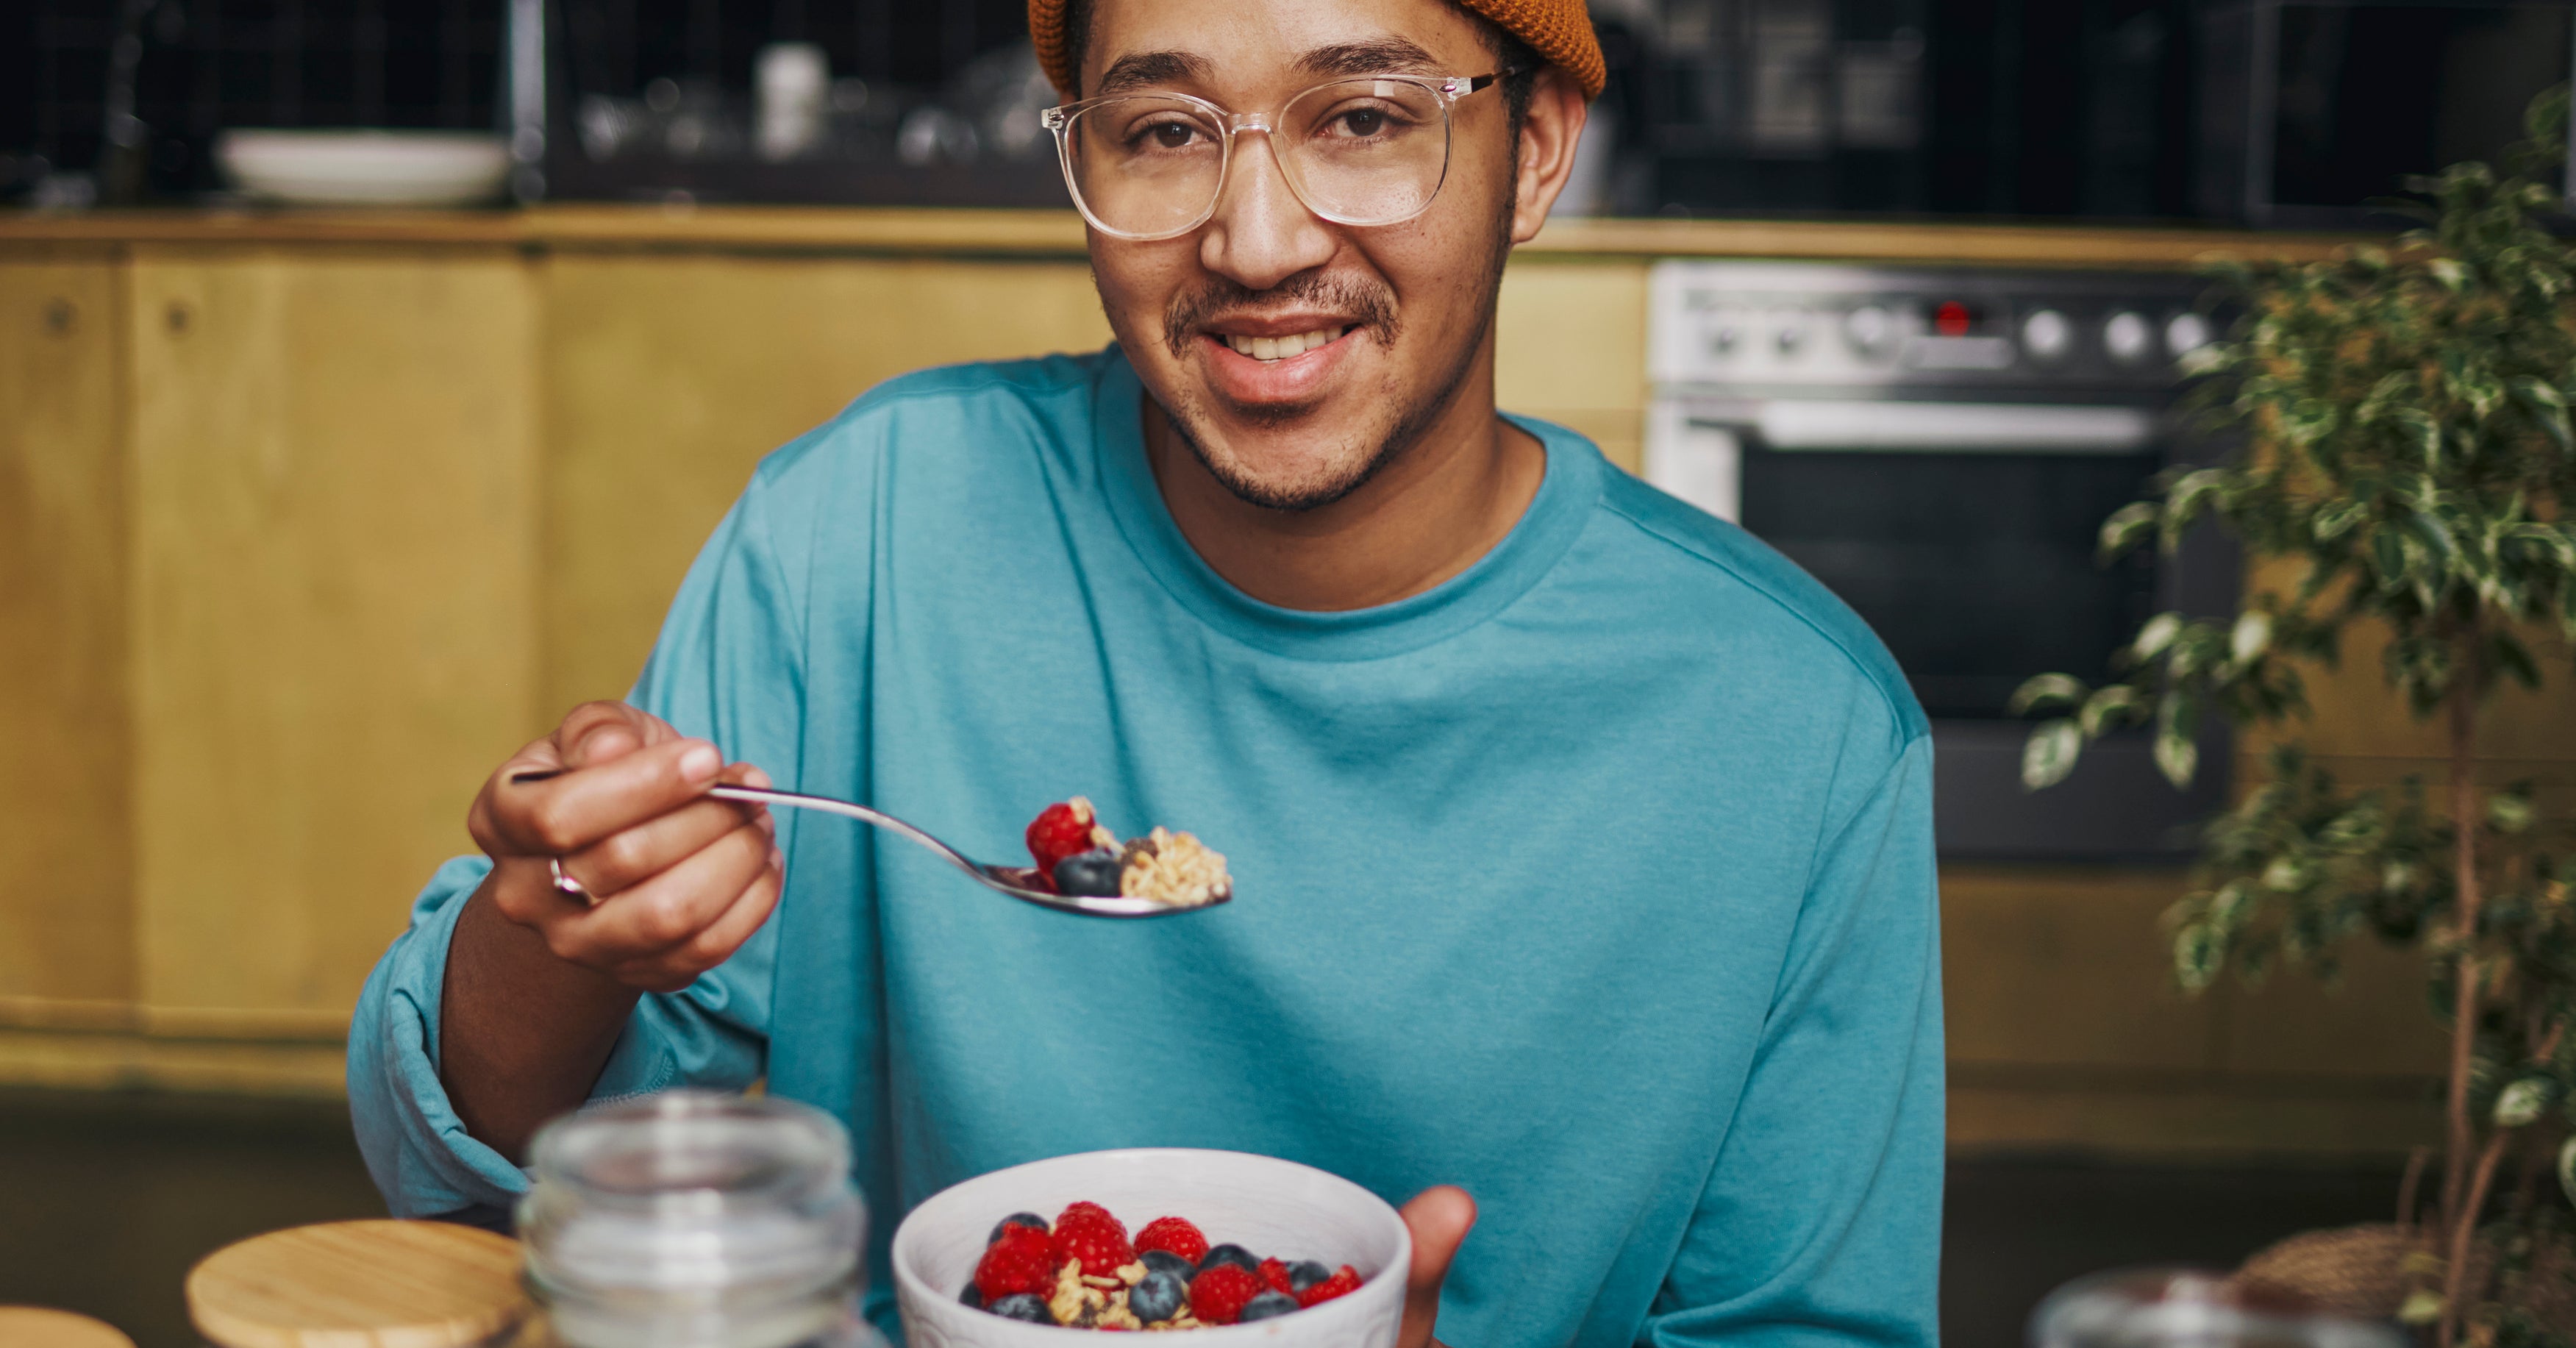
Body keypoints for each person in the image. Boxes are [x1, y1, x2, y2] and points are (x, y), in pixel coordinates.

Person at [348, 0, 1944, 1342]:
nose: (1256, 242)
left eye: (1366, 119)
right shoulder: (863, 531)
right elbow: (483, 1180)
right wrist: (549, 925)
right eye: (1166, 132)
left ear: (1531, 154)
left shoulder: (1795, 727)